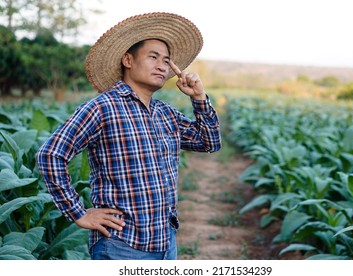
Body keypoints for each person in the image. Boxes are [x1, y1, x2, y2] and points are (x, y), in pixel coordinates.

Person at [35, 12, 221, 260]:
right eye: (153, 57)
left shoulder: (165, 113)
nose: (162, 66)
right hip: (122, 247)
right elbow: (51, 155)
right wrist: (78, 213)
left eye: (166, 61)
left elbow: (209, 142)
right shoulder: (102, 108)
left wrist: (198, 97)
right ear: (128, 60)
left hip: (166, 243)